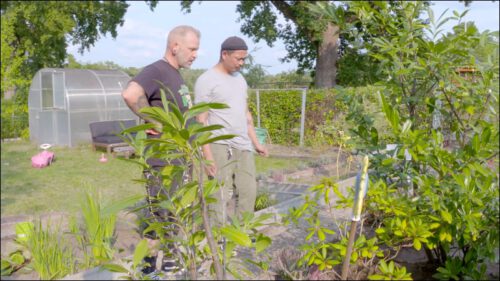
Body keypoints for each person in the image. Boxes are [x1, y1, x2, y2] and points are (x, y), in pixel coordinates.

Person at [121, 25, 200, 276]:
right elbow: (131, 94)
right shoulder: (157, 70)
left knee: (174, 212)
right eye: (192, 49)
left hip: (179, 158)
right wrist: (153, 120)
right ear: (175, 46)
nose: (195, 54)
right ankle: (149, 265)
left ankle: (169, 260)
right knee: (160, 213)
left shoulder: (175, 74)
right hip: (163, 161)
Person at [194, 36, 269, 231]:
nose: (242, 63)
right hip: (219, 143)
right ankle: (217, 238)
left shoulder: (240, 79)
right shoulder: (207, 80)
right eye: (238, 58)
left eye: (244, 59)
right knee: (219, 192)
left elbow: (245, 114)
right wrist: (207, 156)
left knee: (248, 190)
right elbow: (201, 121)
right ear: (224, 54)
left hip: (243, 144)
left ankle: (241, 233)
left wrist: (256, 142)